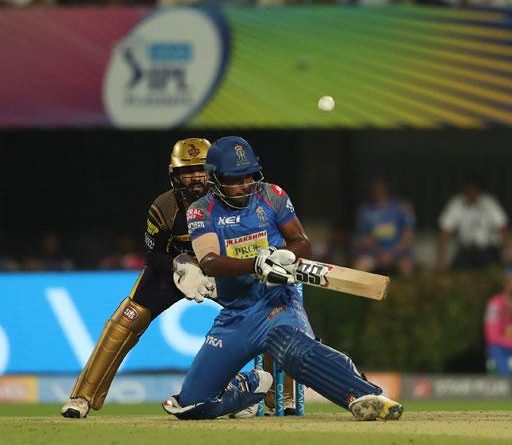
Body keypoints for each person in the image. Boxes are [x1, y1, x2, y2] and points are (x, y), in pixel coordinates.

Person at [162, 136, 403, 421]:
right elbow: (210, 262)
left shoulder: (272, 195)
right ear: (215, 179)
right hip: (236, 315)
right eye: (235, 179)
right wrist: (257, 263)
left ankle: (363, 392)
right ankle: (249, 387)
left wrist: (280, 255)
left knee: (293, 351)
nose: (245, 184)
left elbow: (302, 243)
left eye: (249, 175)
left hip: (277, 304)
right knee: (191, 406)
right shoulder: (201, 210)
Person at [60, 138, 217, 418]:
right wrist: (180, 267)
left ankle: (283, 398)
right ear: (175, 175)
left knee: (264, 312)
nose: (195, 177)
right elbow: (154, 255)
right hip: (172, 271)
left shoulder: (228, 201)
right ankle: (82, 398)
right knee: (126, 320)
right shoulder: (164, 206)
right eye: (188, 170)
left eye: (201, 169)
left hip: (219, 270)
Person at [436, 177, 512, 271]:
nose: (471, 194)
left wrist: (507, 253)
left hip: (487, 249)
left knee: (492, 272)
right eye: (468, 191)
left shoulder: (489, 202)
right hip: (465, 250)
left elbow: (502, 227)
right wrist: (440, 260)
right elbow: (445, 231)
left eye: (473, 191)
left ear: (478, 191)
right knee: (456, 272)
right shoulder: (456, 203)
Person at [353, 178, 415, 276]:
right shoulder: (366, 211)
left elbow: (408, 235)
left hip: (398, 251)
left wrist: (393, 253)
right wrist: (379, 253)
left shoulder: (401, 208)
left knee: (407, 267)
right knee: (359, 268)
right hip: (375, 253)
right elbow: (364, 238)